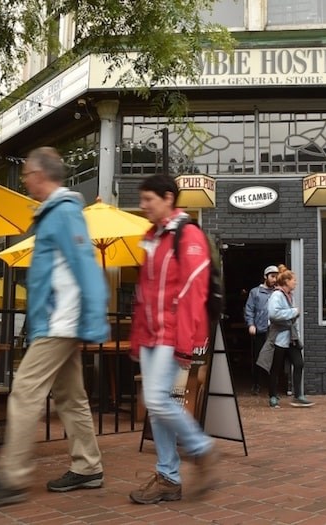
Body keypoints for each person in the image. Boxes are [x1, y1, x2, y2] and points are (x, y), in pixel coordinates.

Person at [0, 147, 109, 508]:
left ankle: (11, 478)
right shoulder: (54, 214)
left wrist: (90, 322)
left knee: (25, 392)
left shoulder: (63, 213)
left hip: (61, 323)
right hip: (58, 322)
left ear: (41, 175)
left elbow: (85, 267)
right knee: (71, 398)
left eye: (27, 174)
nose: (25, 179)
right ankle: (88, 466)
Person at [129, 173, 219, 504]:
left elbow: (194, 293)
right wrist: (139, 338)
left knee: (155, 400)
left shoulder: (188, 235)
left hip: (171, 334)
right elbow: (144, 295)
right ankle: (168, 477)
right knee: (157, 404)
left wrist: (184, 343)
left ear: (168, 198)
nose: (143, 206)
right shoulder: (153, 237)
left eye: (148, 199)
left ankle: (201, 448)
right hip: (154, 336)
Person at [266, 265, 314, 409]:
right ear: (286, 281)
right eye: (294, 280)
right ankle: (273, 396)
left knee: (299, 363)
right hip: (279, 338)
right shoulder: (277, 295)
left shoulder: (289, 295)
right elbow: (273, 314)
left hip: (291, 338)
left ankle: (298, 395)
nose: (296, 283)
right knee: (275, 368)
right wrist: (293, 312)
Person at [244, 265, 278, 394]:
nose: (274, 279)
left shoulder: (278, 292)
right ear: (265, 277)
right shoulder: (255, 292)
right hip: (261, 329)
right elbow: (249, 309)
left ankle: (272, 386)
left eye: (276, 277)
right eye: (272, 276)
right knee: (258, 358)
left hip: (274, 330)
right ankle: (256, 384)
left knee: (274, 358)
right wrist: (251, 324)